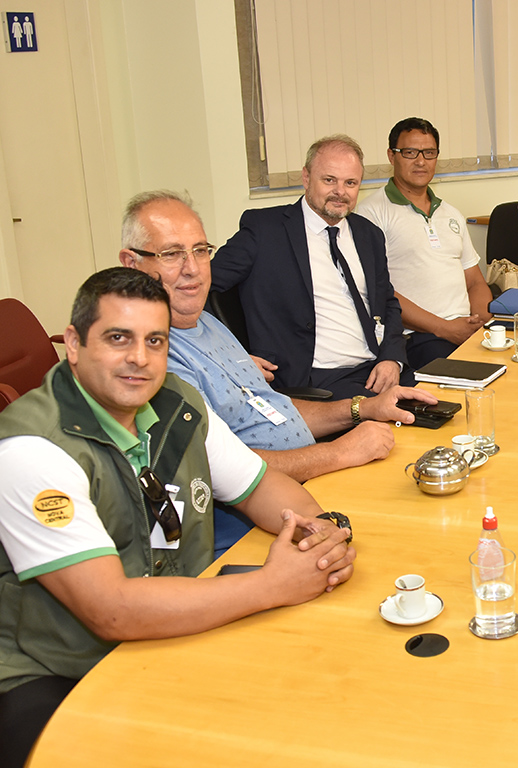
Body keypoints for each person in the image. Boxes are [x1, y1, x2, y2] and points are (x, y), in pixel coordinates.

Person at [0, 268, 356, 768]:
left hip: (169, 627)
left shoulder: (175, 404)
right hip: (59, 669)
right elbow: (111, 610)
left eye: (156, 340)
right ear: (74, 344)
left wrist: (319, 534)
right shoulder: (31, 451)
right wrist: (273, 585)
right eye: (118, 338)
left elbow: (260, 486)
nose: (139, 359)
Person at [118, 190, 439, 556]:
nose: (192, 268)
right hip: (247, 530)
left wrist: (362, 408)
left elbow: (270, 408)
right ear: (132, 263)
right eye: (172, 254)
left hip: (305, 490)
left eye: (201, 250)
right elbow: (222, 470)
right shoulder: (150, 359)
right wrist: (339, 453)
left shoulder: (205, 322)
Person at [210, 134, 408, 400]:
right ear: (306, 177)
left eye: (350, 183)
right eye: (329, 180)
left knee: (449, 404)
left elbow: (387, 302)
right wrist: (233, 358)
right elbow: (199, 288)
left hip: (376, 369)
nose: (341, 192)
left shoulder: (368, 234)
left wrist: (392, 359)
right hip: (314, 378)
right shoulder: (265, 230)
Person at [356, 118, 491, 372]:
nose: (421, 161)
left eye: (429, 153)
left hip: (465, 331)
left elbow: (474, 281)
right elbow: (380, 293)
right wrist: (446, 328)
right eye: (410, 153)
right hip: (419, 337)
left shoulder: (451, 213)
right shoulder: (371, 214)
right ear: (391, 156)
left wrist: (482, 321)